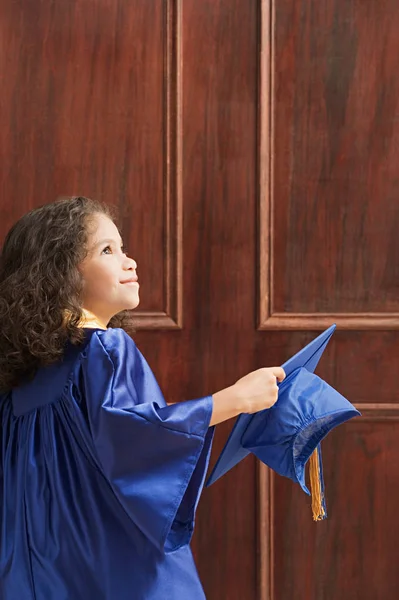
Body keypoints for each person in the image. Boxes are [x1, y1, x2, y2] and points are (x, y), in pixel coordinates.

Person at [0, 196, 285, 600]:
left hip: (36, 575)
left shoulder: (20, 384)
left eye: (123, 247)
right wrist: (235, 399)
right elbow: (138, 436)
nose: (129, 261)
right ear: (62, 274)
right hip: (116, 568)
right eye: (107, 250)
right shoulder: (104, 350)